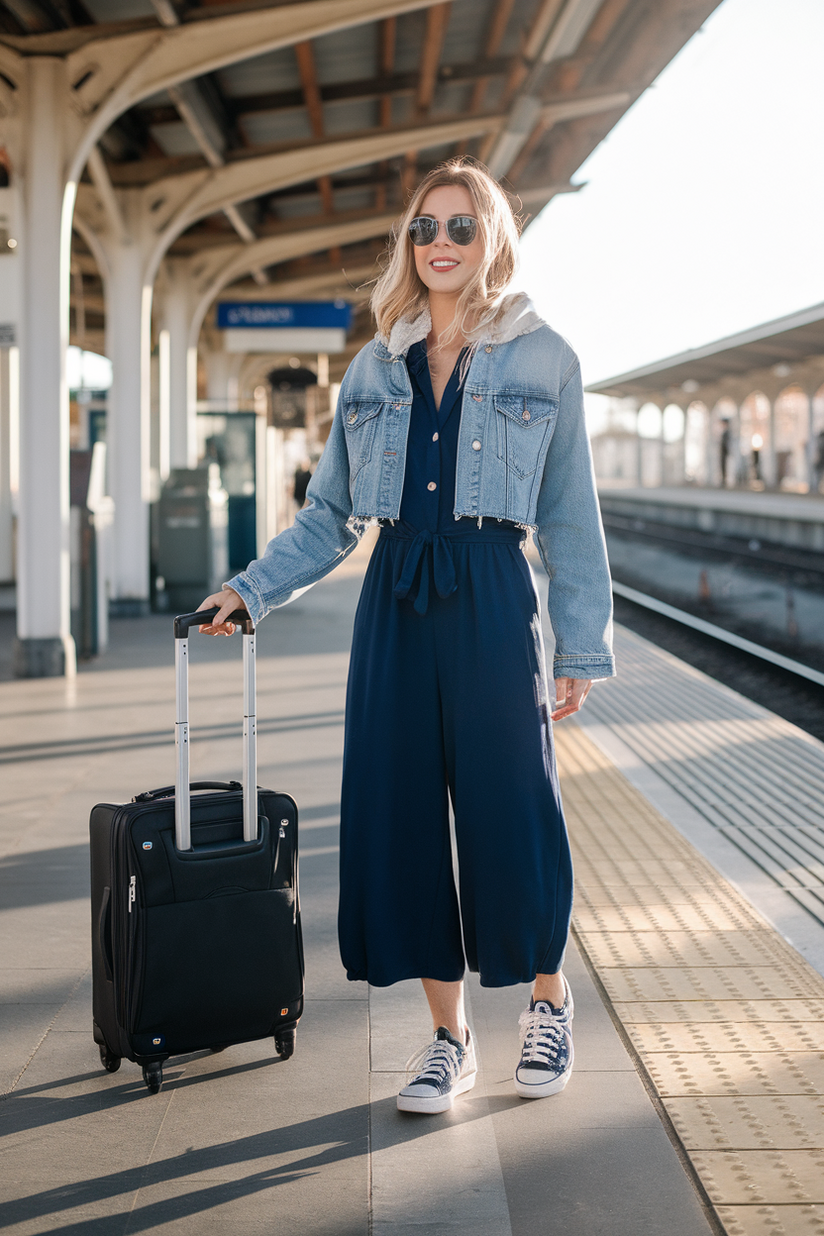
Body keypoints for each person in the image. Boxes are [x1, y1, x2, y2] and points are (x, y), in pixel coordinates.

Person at [198, 158, 615, 1115]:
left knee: (515, 808)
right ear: (408, 242)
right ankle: (448, 1036)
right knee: (403, 814)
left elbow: (571, 518)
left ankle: (548, 1004)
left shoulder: (544, 355)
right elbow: (330, 514)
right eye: (426, 228)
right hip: (395, 598)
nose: (441, 244)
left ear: (494, 240)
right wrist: (249, 591)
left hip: (492, 593)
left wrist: (581, 646)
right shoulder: (376, 362)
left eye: (463, 228)